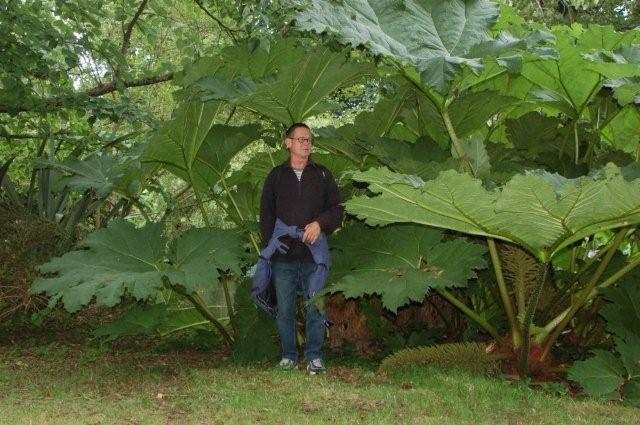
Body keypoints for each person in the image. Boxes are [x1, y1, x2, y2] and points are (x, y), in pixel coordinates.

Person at [259, 123, 343, 374]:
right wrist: (271, 247)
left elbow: (337, 209)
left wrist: (320, 223)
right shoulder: (276, 176)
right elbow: (266, 216)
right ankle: (289, 357)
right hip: (283, 256)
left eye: (309, 140)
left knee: (315, 306)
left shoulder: (323, 175)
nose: (306, 143)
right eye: (301, 139)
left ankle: (315, 357)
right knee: (284, 310)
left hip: (313, 256)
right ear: (288, 143)